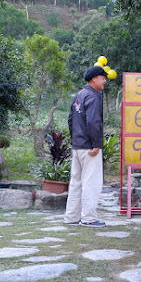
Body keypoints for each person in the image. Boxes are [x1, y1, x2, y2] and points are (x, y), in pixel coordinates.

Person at [63, 66, 108, 228]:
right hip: (89, 147)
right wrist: (96, 144)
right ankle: (88, 218)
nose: (105, 80)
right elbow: (93, 122)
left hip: (77, 146)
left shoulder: (78, 96)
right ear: (94, 79)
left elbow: (70, 120)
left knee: (75, 182)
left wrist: (75, 140)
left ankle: (71, 217)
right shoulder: (93, 96)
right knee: (91, 182)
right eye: (103, 77)